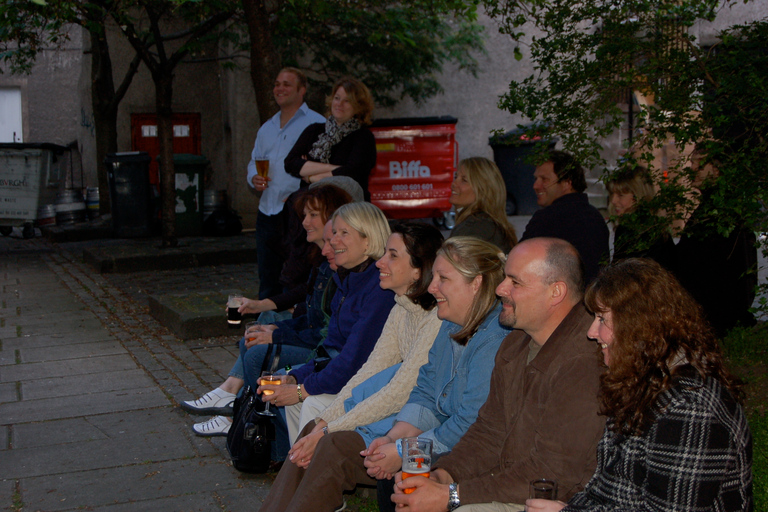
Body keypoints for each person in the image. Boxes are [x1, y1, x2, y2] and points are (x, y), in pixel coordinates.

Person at [256, 237, 509, 512]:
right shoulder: (449, 323)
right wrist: (392, 439)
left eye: (443, 279)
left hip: (463, 453)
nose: (432, 286)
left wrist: (402, 449)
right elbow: (422, 392)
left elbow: (468, 426)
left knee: (333, 446)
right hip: (427, 438)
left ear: (477, 284)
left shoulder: (493, 340)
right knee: (316, 432)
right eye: (433, 275)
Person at [390, 238, 605, 511]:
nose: (501, 289)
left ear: (556, 292)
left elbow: (552, 472)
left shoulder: (584, 360)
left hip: (560, 499)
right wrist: (443, 475)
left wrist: (451, 495)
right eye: (505, 278)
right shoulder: (516, 342)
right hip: (512, 480)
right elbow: (488, 433)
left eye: (515, 282)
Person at [527, 258, 753, 512]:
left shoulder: (689, 407)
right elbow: (607, 492)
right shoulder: (643, 381)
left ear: (637, 325)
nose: (591, 332)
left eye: (602, 319)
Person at [181, 183, 353, 437]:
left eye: (312, 215)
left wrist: (276, 333)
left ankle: (241, 412)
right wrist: (271, 322)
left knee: (256, 352)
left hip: (323, 351)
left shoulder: (338, 265)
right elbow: (306, 302)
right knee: (260, 328)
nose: (305, 221)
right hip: (315, 340)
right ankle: (237, 402)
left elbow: (324, 333)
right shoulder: (321, 258)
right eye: (304, 215)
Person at [255, 202, 395, 448]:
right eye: (333, 235)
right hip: (348, 374)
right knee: (287, 386)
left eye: (343, 233)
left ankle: (307, 474)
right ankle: (298, 469)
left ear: (368, 239)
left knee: (308, 401)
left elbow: (354, 360)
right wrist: (294, 377)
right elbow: (329, 348)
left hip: (373, 383)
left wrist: (301, 388)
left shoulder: (378, 289)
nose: (332, 243)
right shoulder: (349, 279)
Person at [247, 67, 325, 299]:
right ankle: (265, 327)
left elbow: (323, 170)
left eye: (287, 84)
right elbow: (254, 161)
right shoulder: (267, 128)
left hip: (297, 216)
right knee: (267, 278)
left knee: (296, 277)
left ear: (302, 91)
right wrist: (253, 177)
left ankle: (291, 327)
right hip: (267, 212)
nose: (279, 88)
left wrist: (300, 198)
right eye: (277, 83)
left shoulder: (317, 124)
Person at [675, 148, 757, 338]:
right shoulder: (717, 210)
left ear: (717, 169)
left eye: (700, 163)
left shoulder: (720, 214)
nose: (693, 168)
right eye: (693, 162)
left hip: (715, 319)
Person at [520, 151, 609, 283]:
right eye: (536, 179)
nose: (536, 186)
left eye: (544, 179)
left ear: (567, 183)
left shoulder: (548, 218)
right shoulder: (595, 216)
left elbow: (519, 262)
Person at [284, 76, 376, 200]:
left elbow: (353, 173)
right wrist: (335, 168)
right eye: (337, 98)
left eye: (347, 100)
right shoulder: (314, 130)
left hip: (348, 207)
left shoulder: (363, 137)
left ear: (358, 106)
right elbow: (290, 163)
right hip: (312, 205)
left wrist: (311, 176)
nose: (339, 104)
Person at [606, 165, 675, 269]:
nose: (614, 201)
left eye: (620, 195)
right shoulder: (656, 225)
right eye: (612, 194)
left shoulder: (630, 229)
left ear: (637, 196)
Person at [449, 157, 518, 253]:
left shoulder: (476, 228)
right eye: (456, 177)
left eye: (464, 180)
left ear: (483, 190)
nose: (454, 183)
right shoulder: (488, 225)